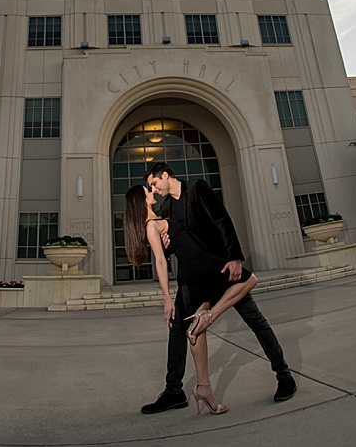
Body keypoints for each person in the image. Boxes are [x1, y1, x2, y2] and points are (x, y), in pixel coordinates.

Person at [139, 162, 297, 414]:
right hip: (194, 278)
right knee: (177, 326)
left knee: (255, 320)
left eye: (155, 184)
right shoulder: (167, 208)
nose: (155, 190)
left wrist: (234, 258)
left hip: (222, 270)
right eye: (152, 188)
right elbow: (177, 245)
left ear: (166, 175)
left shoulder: (198, 189)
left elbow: (222, 220)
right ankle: (173, 392)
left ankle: (284, 376)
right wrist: (166, 244)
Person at [124, 184, 256, 415]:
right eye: (148, 191)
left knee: (189, 327)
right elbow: (161, 263)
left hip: (195, 269)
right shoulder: (150, 225)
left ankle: (202, 388)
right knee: (249, 280)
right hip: (199, 266)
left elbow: (174, 242)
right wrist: (166, 299)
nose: (152, 191)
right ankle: (210, 316)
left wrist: (168, 241)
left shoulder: (157, 221)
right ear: (141, 201)